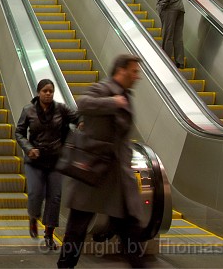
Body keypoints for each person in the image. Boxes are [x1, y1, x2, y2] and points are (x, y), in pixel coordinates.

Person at [57, 54, 146, 268]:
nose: (138, 76)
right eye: (134, 71)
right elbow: (83, 103)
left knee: (128, 230)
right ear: (121, 70)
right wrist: (112, 102)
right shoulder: (105, 89)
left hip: (114, 177)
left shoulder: (126, 94)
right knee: (77, 229)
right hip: (93, 173)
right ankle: (65, 265)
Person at [15, 79, 79, 249]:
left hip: (55, 160)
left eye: (51, 91)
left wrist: (81, 122)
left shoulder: (61, 109)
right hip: (35, 160)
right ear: (38, 92)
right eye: (45, 91)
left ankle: (49, 235)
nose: (48, 94)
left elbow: (77, 117)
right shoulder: (28, 110)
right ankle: (33, 217)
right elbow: (19, 132)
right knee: (36, 193)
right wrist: (29, 149)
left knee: (55, 197)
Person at [156, 0, 189, 68]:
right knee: (178, 37)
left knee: (167, 36)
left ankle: (166, 61)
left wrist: (161, 6)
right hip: (179, 10)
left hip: (170, 10)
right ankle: (180, 62)